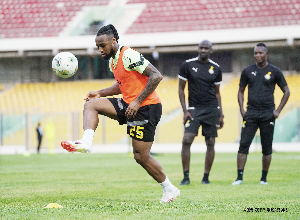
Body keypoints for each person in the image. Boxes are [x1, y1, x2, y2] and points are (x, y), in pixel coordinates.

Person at [61, 24, 180, 203]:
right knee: (92, 104)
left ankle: (170, 189)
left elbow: (156, 76)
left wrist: (138, 101)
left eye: (103, 46)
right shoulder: (113, 60)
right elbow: (122, 85)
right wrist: (100, 92)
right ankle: (86, 142)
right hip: (129, 104)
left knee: (141, 156)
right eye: (98, 47)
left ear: (113, 41)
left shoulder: (128, 54)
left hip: (147, 107)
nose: (100, 50)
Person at [232, 43, 290, 185]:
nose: (258, 55)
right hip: (251, 113)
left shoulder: (275, 71)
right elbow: (240, 90)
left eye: (260, 53)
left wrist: (277, 111)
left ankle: (263, 179)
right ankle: (239, 178)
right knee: (243, 145)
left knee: (267, 147)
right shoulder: (247, 71)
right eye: (255, 53)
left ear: (267, 54)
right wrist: (242, 109)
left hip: (267, 114)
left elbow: (287, 91)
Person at [178, 40, 224, 185]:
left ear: (211, 50)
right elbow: (181, 89)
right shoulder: (188, 65)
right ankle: (186, 177)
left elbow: (217, 93)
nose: (203, 50)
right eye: (201, 48)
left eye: (206, 48)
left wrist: (221, 114)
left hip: (211, 109)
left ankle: (206, 178)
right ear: (198, 49)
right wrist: (185, 110)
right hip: (194, 109)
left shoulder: (216, 68)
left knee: (210, 142)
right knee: (186, 140)